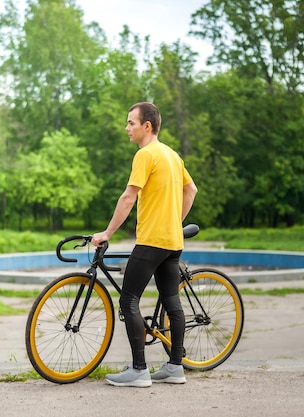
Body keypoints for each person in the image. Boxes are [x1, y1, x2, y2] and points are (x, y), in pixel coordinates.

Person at [91, 102, 198, 388]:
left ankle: (139, 369)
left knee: (128, 301)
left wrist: (107, 232)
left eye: (131, 123)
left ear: (146, 126)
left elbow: (128, 197)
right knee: (172, 301)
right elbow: (191, 190)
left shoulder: (145, 154)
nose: (126, 128)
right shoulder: (172, 155)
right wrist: (174, 221)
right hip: (173, 242)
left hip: (152, 241)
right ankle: (176, 367)